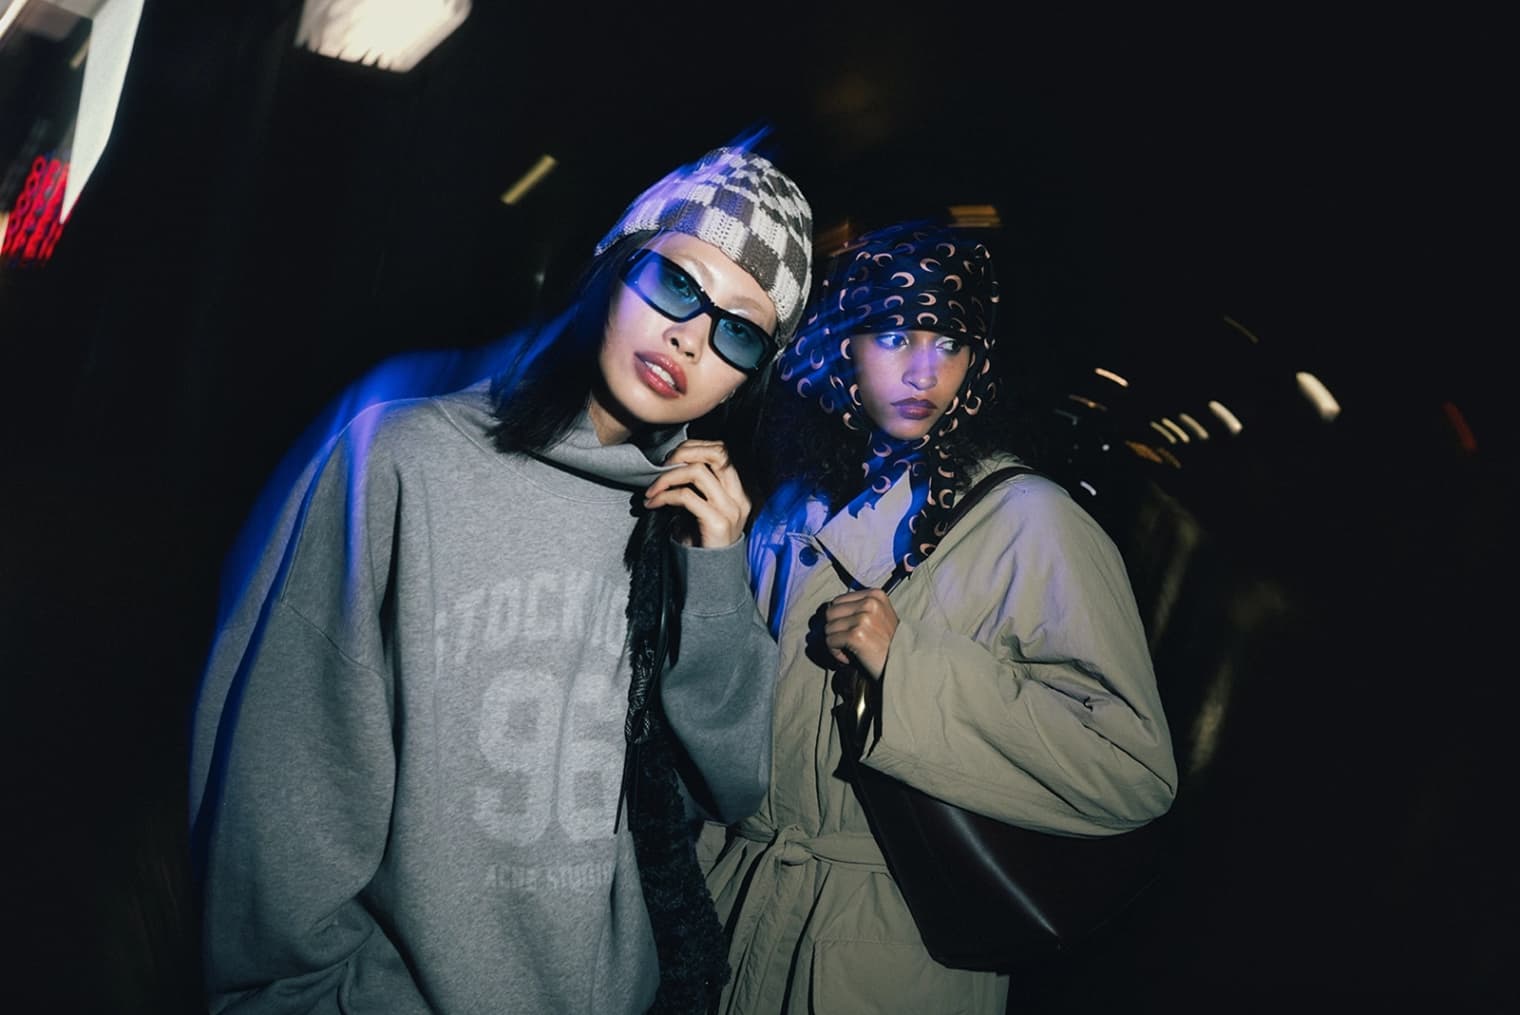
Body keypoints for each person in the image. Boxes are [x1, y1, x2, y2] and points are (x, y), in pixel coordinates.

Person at [188, 145, 813, 1014]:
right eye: (677, 283)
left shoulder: (693, 521)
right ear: (617, 263)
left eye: (739, 329)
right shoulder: (405, 457)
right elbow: (288, 787)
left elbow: (728, 788)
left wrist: (713, 577)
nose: (693, 336)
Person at [701, 220, 1178, 1013]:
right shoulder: (790, 506)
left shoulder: (1031, 522)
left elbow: (1133, 769)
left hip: (888, 955)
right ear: (843, 347)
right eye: (893, 334)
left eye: (949, 342)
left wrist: (911, 668)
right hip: (739, 913)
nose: (924, 369)